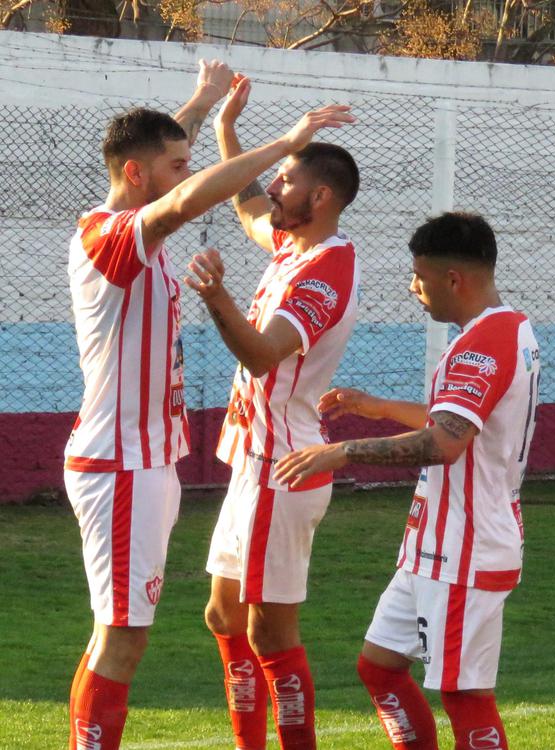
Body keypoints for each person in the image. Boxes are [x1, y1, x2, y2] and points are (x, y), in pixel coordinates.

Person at [64, 58, 354, 750]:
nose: (187, 174)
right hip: (125, 463)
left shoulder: (318, 258)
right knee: (127, 641)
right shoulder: (115, 234)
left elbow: (167, 165)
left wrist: (204, 103)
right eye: (175, 166)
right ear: (138, 176)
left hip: (191, 461)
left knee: (149, 632)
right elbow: (182, 198)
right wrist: (282, 142)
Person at [272, 212, 540, 750]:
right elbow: (454, 421)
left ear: (453, 279)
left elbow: (446, 442)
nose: (412, 286)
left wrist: (343, 452)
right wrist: (377, 408)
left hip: (466, 548)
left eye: (418, 275)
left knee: (466, 697)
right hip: (434, 545)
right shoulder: (507, 328)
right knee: (380, 667)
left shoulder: (482, 344)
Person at [185, 74, 359, 750]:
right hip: (253, 464)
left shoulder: (326, 272)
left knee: (268, 632)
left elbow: (261, 356)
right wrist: (230, 127)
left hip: (281, 467)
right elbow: (246, 201)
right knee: (222, 616)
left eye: (285, 180)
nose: (273, 189)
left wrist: (216, 295)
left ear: (318, 198)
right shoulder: (296, 246)